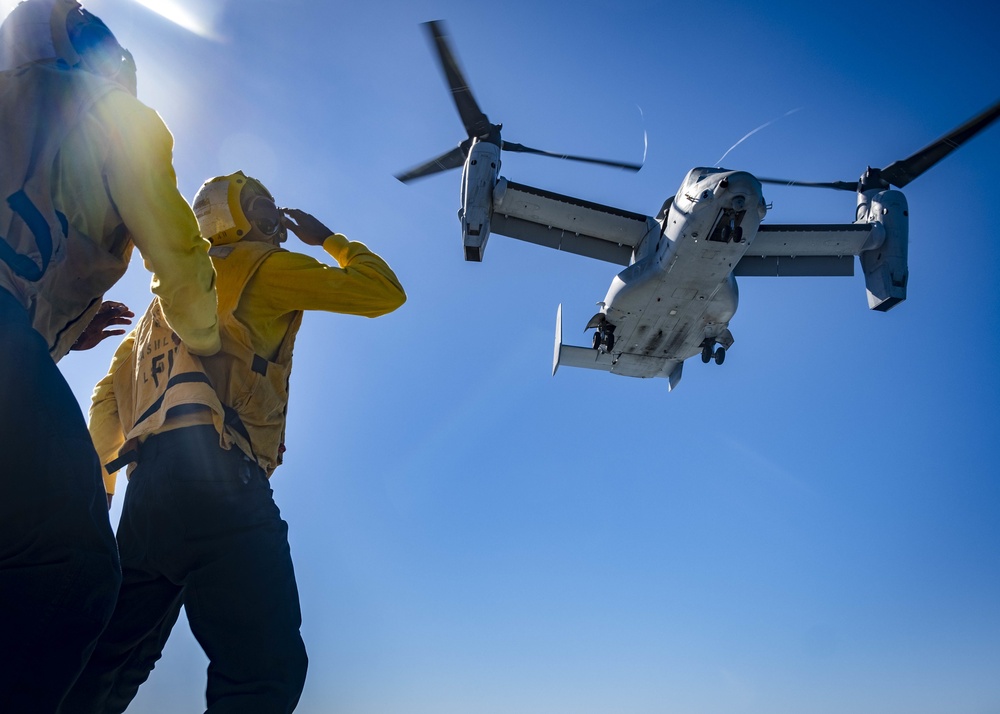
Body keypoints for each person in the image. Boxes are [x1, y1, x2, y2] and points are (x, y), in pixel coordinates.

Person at [62, 171, 406, 713]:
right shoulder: (264, 268)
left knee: (109, 664)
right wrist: (330, 240)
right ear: (239, 218)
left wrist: (103, 493)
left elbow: (106, 407)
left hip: (147, 497)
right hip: (223, 481)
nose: (275, 223)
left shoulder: (154, 315)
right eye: (264, 211)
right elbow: (384, 292)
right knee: (262, 673)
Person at [0, 1, 220, 711]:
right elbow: (182, 258)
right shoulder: (114, 114)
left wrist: (58, 330)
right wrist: (207, 336)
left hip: (16, 340)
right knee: (78, 568)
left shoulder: (17, 101)